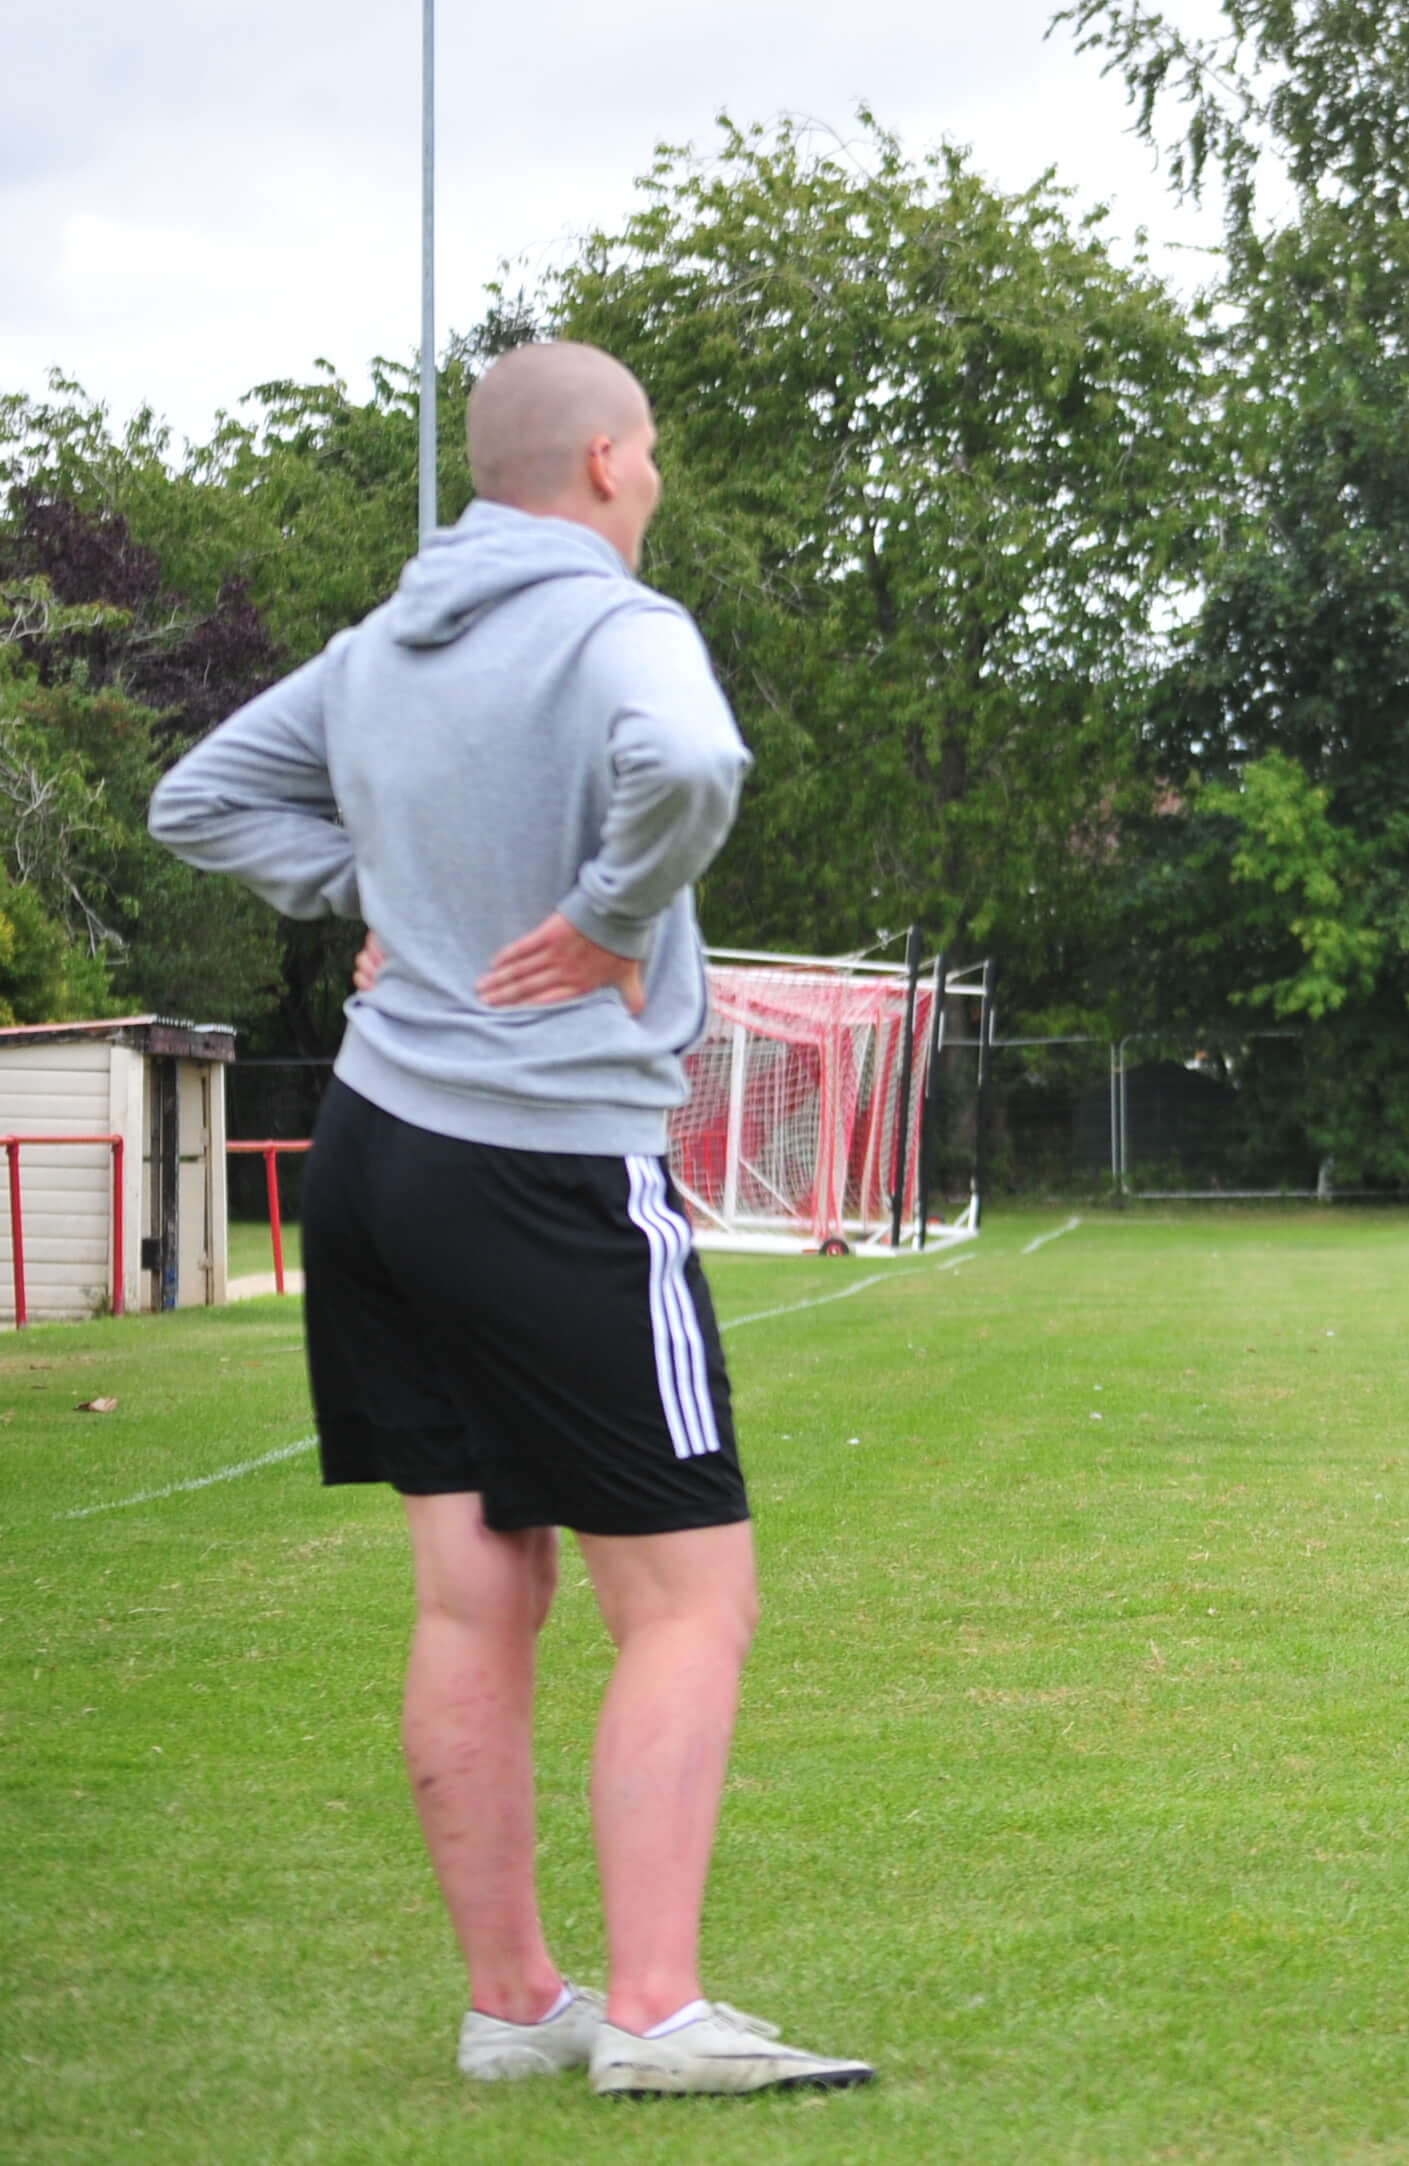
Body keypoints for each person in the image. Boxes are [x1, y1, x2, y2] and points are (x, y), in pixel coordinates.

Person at [150, 341, 872, 2094]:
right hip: (549, 1166)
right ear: (613, 461)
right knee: (691, 1598)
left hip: (375, 1161)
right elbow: (694, 761)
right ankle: (652, 2013)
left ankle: (513, 2002)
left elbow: (199, 801)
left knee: (475, 1598)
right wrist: (622, 914)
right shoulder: (622, 624)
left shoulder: (385, 639)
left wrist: (366, 887)